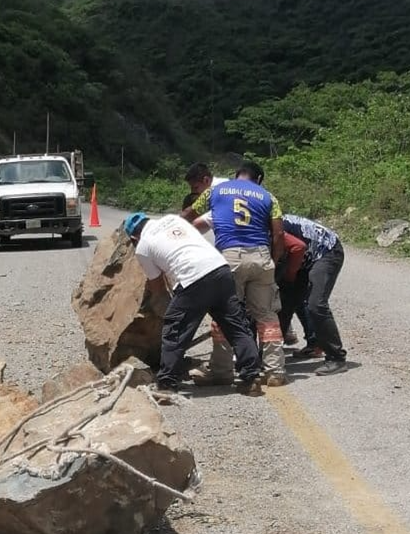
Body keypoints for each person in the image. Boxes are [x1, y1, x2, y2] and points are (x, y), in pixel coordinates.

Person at [123, 211, 262, 394]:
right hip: (220, 270)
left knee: (175, 330)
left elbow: (157, 286)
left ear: (134, 236)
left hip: (193, 279)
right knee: (235, 327)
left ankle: (167, 384)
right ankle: (251, 378)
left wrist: (162, 305)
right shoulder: (172, 219)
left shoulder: (143, 246)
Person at [180, 161, 288, 386]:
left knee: (226, 314)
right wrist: (273, 260)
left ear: (236, 174)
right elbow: (278, 234)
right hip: (261, 256)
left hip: (230, 257)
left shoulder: (216, 190)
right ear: (258, 180)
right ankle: (275, 371)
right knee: (267, 316)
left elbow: (190, 214)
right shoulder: (269, 197)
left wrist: (169, 229)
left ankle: (221, 370)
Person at [279, 214, 348, 375]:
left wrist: (290, 275)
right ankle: (311, 344)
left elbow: (298, 247)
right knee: (285, 301)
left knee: (315, 304)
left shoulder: (267, 225)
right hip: (305, 256)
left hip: (326, 251)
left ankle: (336, 358)